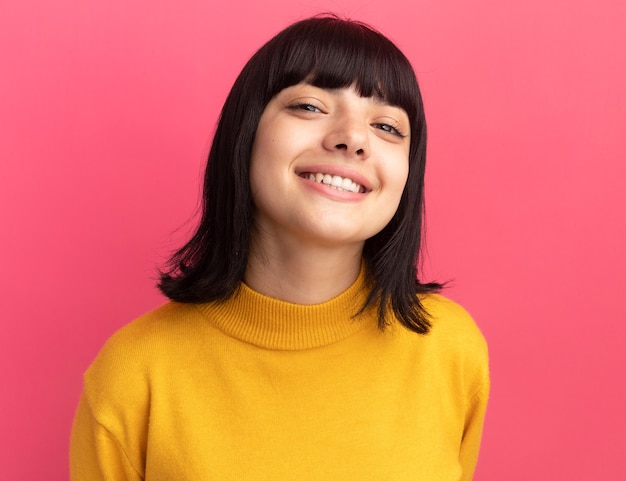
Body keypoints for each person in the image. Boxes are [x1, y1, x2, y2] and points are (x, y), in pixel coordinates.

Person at [70, 15, 489, 481]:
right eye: (310, 106)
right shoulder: (133, 376)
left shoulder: (451, 350)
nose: (352, 138)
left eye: (388, 127)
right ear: (245, 134)